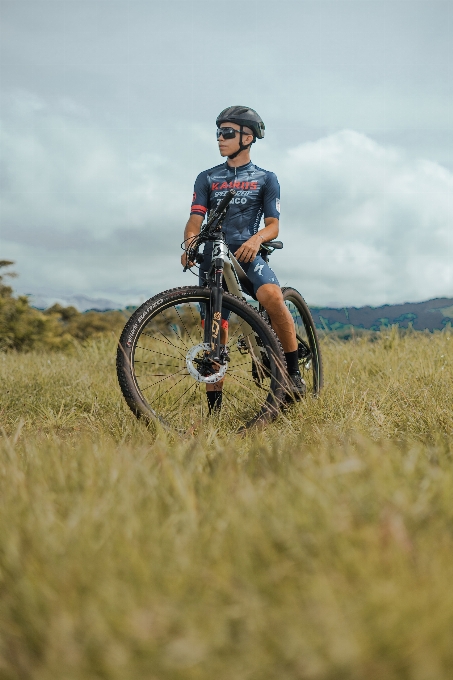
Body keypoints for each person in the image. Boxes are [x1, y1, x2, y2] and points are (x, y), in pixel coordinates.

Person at [181, 105, 305, 412]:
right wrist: (189, 244)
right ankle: (214, 413)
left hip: (248, 252)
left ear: (247, 137)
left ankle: (292, 373)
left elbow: (273, 225)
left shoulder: (266, 178)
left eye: (227, 133)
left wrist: (256, 239)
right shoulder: (207, 178)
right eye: (218, 133)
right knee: (214, 334)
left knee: (273, 297)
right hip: (214, 256)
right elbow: (195, 219)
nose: (220, 139)